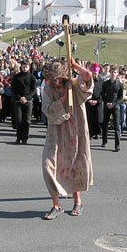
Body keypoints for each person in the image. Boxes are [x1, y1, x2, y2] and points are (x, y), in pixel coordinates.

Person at [41, 58, 93, 220]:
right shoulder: (49, 89)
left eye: (57, 78)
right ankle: (56, 205)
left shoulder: (73, 84)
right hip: (56, 132)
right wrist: (63, 98)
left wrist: (75, 65)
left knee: (73, 164)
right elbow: (48, 110)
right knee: (48, 165)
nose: (54, 81)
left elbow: (88, 76)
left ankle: (78, 202)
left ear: (62, 75)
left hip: (74, 131)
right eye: (51, 78)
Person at [11, 60, 37, 145]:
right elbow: (13, 89)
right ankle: (18, 137)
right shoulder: (16, 77)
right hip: (18, 100)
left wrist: (27, 98)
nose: (24, 68)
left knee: (27, 120)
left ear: (29, 67)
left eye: (26, 66)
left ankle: (25, 138)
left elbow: (33, 90)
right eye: (23, 66)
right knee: (19, 120)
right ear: (21, 67)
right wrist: (20, 97)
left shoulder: (32, 77)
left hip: (28, 101)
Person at [101, 66, 123, 152]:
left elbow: (120, 97)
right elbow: (103, 95)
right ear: (110, 73)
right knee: (105, 124)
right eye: (112, 72)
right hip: (107, 105)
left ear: (117, 74)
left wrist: (114, 103)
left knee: (117, 126)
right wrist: (107, 103)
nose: (113, 74)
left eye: (115, 72)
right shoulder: (105, 83)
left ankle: (117, 145)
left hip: (115, 106)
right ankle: (104, 141)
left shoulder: (119, 84)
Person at [85, 63, 103, 140]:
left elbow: (103, 92)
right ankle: (90, 133)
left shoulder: (101, 81)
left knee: (98, 118)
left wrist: (97, 101)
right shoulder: (87, 81)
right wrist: (88, 100)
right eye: (93, 73)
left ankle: (97, 132)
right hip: (89, 102)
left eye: (95, 73)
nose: (94, 75)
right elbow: (84, 91)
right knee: (89, 118)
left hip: (97, 102)